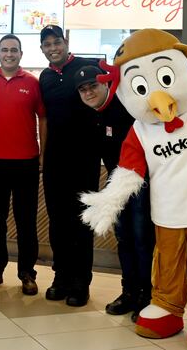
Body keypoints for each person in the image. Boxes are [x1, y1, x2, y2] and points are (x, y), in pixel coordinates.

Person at [74, 65, 154, 321]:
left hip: (141, 184)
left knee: (143, 240)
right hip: (115, 186)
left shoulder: (126, 105)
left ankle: (148, 296)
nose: (88, 93)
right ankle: (129, 292)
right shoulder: (90, 115)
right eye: (83, 90)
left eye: (93, 87)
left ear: (105, 85)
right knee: (124, 239)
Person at [0, 34, 45, 295]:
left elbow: (43, 120)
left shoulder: (33, 83)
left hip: (26, 162)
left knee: (26, 221)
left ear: (21, 54)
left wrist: (43, 154)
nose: (9, 54)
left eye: (14, 50)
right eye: (5, 50)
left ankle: (27, 272)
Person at [38, 24, 100, 307]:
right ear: (42, 50)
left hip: (84, 159)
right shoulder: (46, 77)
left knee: (81, 221)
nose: (53, 48)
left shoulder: (88, 67)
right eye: (48, 44)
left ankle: (80, 282)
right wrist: (43, 155)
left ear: (65, 42)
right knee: (57, 221)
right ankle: (60, 276)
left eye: (57, 42)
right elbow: (46, 119)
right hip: (54, 160)